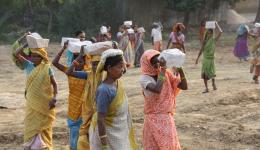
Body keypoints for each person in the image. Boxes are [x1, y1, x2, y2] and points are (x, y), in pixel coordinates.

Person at [89, 49, 137, 150]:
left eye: (123, 66)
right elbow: (100, 118)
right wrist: (104, 144)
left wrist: (118, 52)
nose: (123, 69)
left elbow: (124, 69)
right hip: (106, 135)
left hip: (119, 130)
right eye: (120, 67)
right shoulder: (104, 90)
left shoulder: (117, 82)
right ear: (109, 68)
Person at [140, 50, 188, 150]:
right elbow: (157, 89)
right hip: (153, 120)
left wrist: (180, 69)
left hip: (166, 119)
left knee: (169, 146)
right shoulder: (144, 78)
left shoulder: (166, 74)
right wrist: (163, 69)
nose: (157, 65)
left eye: (159, 61)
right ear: (147, 63)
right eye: (154, 63)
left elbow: (184, 86)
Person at [15, 41, 57, 150]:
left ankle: (43, 146)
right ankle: (31, 145)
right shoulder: (28, 65)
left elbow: (54, 84)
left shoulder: (47, 68)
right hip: (31, 102)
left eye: (36, 56)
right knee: (30, 124)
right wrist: (26, 44)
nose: (33, 58)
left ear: (42, 57)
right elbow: (16, 53)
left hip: (44, 102)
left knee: (42, 126)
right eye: (32, 56)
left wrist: (54, 97)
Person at [52, 42, 88, 150]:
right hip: (73, 104)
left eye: (81, 61)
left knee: (82, 132)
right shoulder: (69, 70)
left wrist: (81, 55)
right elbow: (54, 62)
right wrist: (63, 48)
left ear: (85, 62)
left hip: (84, 106)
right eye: (76, 61)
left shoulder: (88, 74)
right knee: (73, 131)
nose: (78, 63)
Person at [195, 22, 222, 93]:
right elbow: (201, 50)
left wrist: (216, 24)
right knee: (204, 74)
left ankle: (213, 83)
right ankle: (206, 88)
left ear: (212, 34)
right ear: (207, 34)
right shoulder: (204, 42)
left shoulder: (213, 40)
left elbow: (221, 32)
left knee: (212, 73)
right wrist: (197, 58)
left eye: (211, 33)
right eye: (208, 33)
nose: (209, 34)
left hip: (211, 59)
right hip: (205, 60)